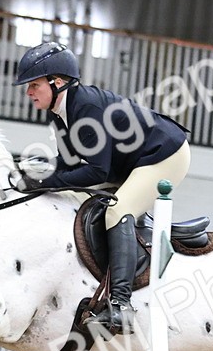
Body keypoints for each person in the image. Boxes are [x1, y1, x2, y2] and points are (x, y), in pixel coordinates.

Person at [11, 41, 191, 334]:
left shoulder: (86, 108)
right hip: (130, 162)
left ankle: (121, 306)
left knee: (117, 210)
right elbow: (69, 163)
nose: (28, 92)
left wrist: (43, 182)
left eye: (34, 85)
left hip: (164, 154)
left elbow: (96, 171)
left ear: (58, 82)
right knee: (69, 195)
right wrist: (30, 171)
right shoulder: (60, 111)